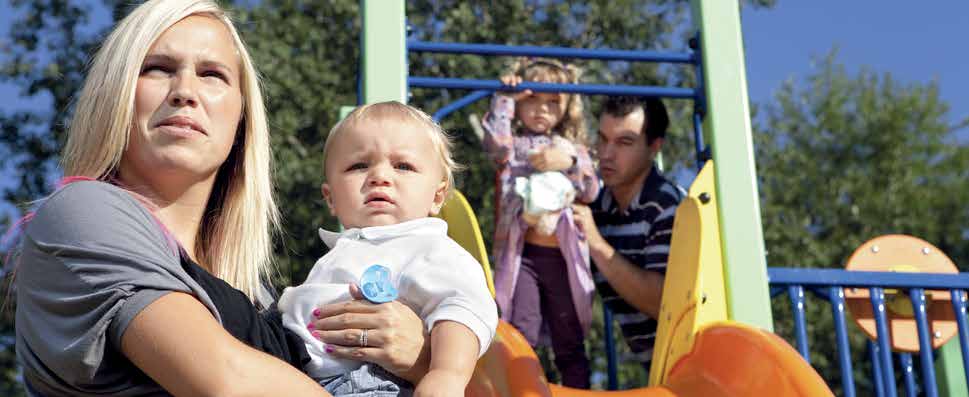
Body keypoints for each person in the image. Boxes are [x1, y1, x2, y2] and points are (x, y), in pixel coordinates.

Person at [12, 1, 429, 395]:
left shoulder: (259, 299)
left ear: (241, 118)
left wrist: (422, 358)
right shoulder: (80, 215)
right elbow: (227, 382)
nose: (184, 91)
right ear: (115, 94)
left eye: (212, 74)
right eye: (157, 68)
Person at [279, 102, 498, 396]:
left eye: (403, 166)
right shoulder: (339, 254)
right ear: (330, 198)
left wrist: (446, 374)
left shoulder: (429, 247)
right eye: (359, 165)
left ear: (437, 195)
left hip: (374, 384)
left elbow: (463, 306)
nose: (379, 176)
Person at [482, 58, 600, 388]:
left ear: (566, 109)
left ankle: (578, 390)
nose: (542, 110)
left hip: (563, 259)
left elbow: (591, 189)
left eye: (552, 102)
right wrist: (507, 98)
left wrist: (571, 161)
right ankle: (521, 388)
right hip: (525, 259)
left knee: (569, 333)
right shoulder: (514, 148)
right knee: (522, 326)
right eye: (532, 99)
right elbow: (494, 145)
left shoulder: (572, 149)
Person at [572, 96, 685, 371]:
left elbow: (664, 304)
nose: (607, 154)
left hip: (697, 367)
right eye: (602, 139)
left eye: (624, 142)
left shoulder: (668, 206)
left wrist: (596, 242)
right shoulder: (598, 207)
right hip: (659, 370)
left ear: (654, 147)